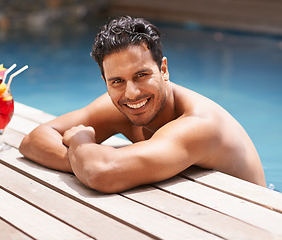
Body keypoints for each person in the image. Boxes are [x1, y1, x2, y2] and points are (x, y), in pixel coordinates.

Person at [19, 16, 266, 193]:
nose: (132, 93)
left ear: (164, 69)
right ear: (105, 81)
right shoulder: (118, 105)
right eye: (117, 81)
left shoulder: (199, 123)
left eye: (141, 75)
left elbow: (101, 173)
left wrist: (80, 142)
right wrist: (84, 161)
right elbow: (33, 140)